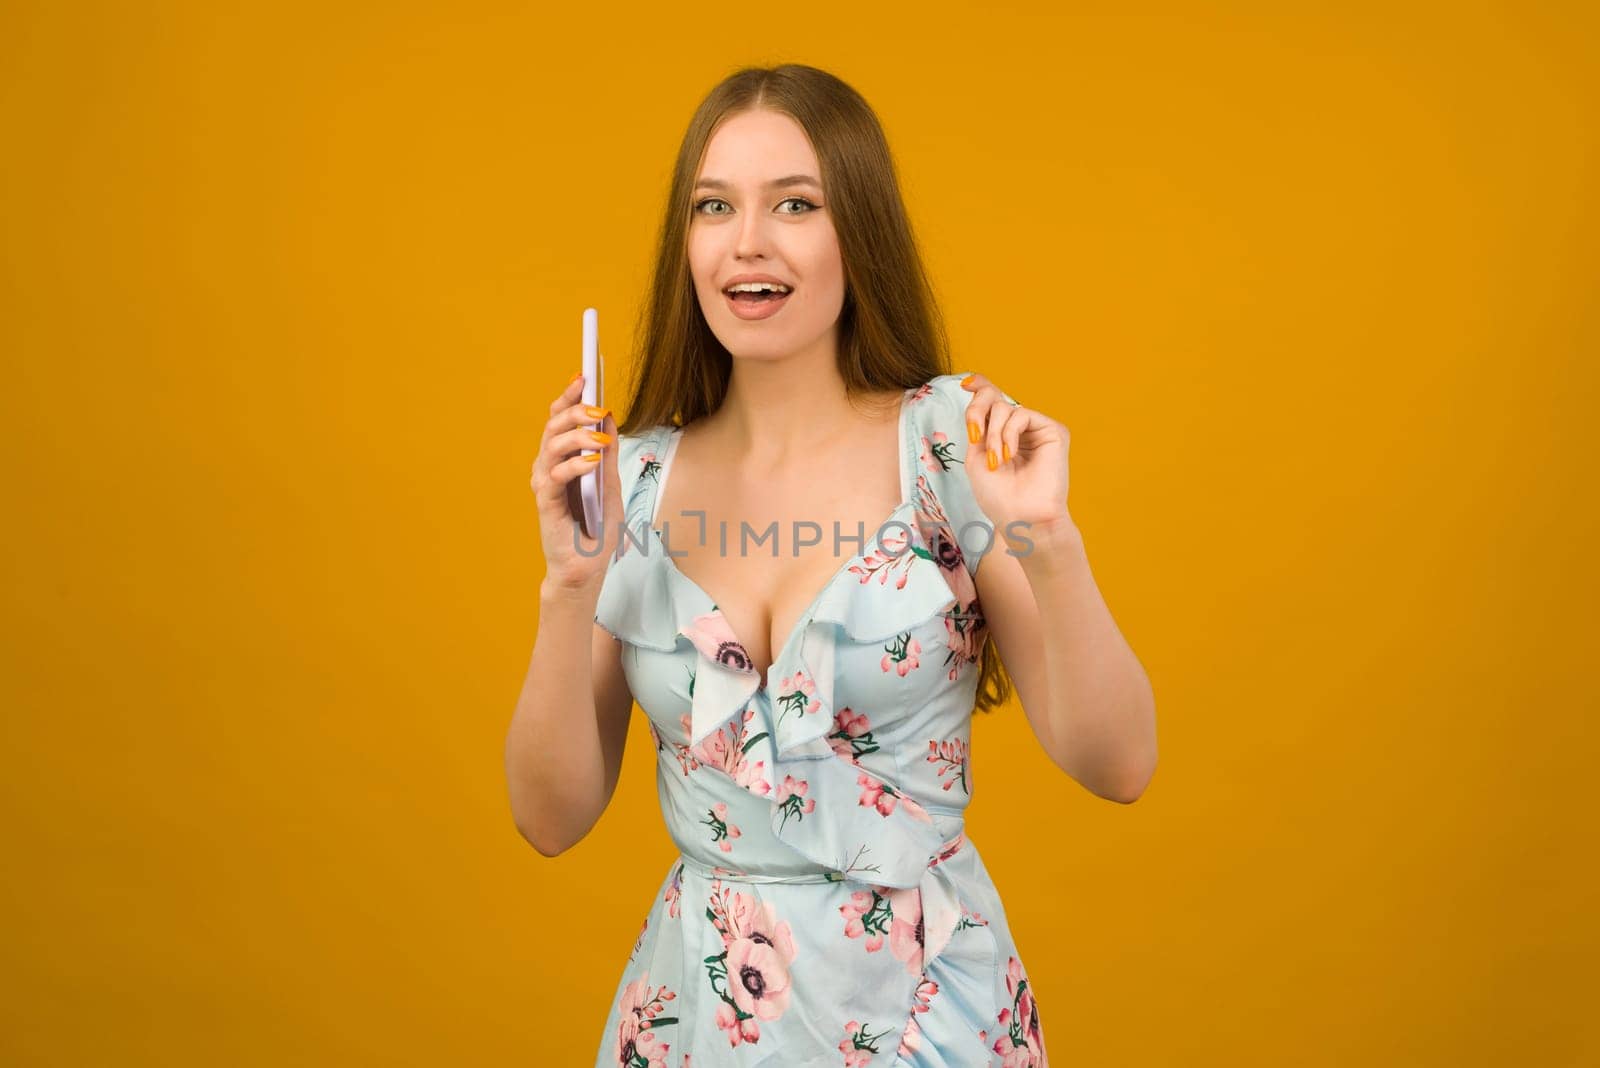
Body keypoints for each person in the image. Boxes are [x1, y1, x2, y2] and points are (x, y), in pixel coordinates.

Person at [507, 63, 1156, 1067]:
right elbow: (548, 820)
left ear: (860, 231)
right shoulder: (628, 482)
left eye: (794, 205)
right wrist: (569, 588)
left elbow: (1118, 765)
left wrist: (1048, 542)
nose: (746, 242)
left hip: (929, 1017)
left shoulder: (947, 446)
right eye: (713, 206)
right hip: (699, 1019)